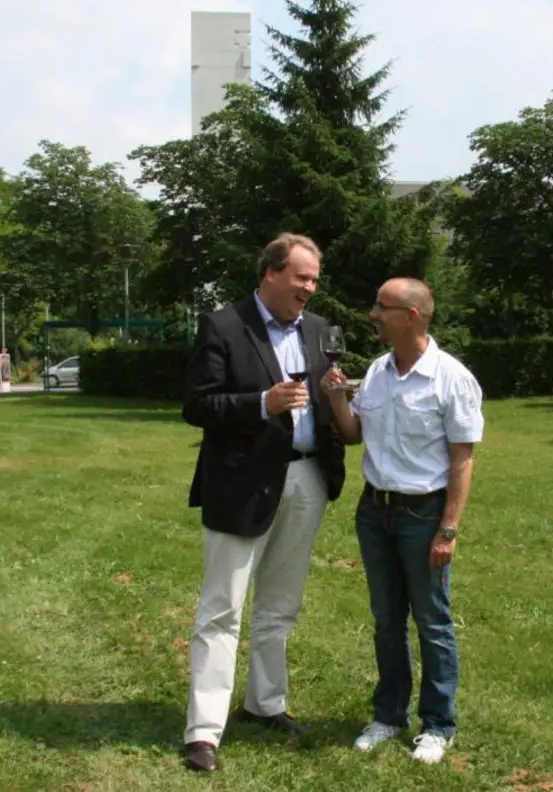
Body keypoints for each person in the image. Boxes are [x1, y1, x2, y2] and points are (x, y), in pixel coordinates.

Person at [178, 233, 348, 773]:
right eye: (301, 277)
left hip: (306, 481)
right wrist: (261, 403)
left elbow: (326, 400)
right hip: (240, 484)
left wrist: (339, 397)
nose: (309, 288)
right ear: (271, 273)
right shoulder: (224, 325)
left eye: (315, 279)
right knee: (222, 609)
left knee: (280, 605)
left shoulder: (320, 332)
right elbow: (197, 405)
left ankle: (264, 703)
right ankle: (204, 731)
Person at [321, 277, 483, 765]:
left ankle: (438, 725)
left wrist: (448, 528)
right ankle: (389, 716)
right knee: (387, 621)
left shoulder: (451, 378)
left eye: (382, 307)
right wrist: (334, 399)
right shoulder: (376, 372)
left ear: (411, 316)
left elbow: (462, 459)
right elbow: (353, 435)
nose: (373, 314)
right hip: (375, 511)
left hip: (423, 513)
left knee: (432, 621)